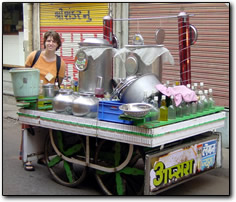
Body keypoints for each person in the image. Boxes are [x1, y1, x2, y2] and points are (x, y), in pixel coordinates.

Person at [22, 30, 66, 171]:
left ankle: (42, 156)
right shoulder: (34, 56)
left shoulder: (61, 63)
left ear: (58, 44)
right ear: (45, 42)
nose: (50, 43)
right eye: (48, 40)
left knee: (45, 128)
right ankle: (26, 158)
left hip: (47, 101)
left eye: (54, 41)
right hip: (32, 96)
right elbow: (24, 74)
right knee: (28, 127)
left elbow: (58, 83)